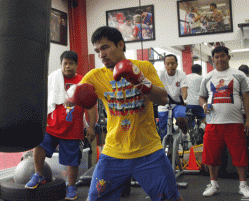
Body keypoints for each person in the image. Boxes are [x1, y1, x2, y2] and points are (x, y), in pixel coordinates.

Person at [76, 26, 185, 201]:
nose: (101, 54)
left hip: (149, 151)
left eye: (105, 47)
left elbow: (164, 99)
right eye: (97, 51)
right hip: (113, 152)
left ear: (120, 45)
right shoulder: (95, 76)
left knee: (171, 198)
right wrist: (74, 95)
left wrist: (139, 80)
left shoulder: (144, 67)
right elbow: (72, 97)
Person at [25, 51, 90, 201]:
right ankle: (38, 175)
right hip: (52, 124)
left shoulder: (83, 81)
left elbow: (90, 105)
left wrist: (91, 127)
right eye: (65, 63)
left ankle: (71, 187)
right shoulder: (53, 78)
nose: (68, 66)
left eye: (71, 63)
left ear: (76, 65)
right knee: (39, 145)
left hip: (73, 128)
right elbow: (43, 97)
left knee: (72, 160)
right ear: (61, 64)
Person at [199, 46, 249, 197]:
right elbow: (201, 96)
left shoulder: (239, 75)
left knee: (240, 155)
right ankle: (213, 184)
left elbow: (246, 97)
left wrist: (248, 119)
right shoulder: (207, 77)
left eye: (222, 56)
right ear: (212, 59)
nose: (219, 59)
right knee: (210, 156)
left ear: (228, 57)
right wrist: (203, 105)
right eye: (216, 57)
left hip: (235, 122)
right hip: (213, 123)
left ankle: (243, 185)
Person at [158, 54, 189, 140]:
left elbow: (184, 90)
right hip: (164, 104)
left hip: (178, 103)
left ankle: (185, 134)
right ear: (164, 65)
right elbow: (155, 86)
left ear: (177, 64)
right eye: (167, 64)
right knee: (163, 132)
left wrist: (183, 100)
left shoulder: (181, 74)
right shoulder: (160, 74)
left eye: (173, 63)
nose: (170, 66)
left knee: (180, 117)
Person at [185, 64, 206, 144]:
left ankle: (190, 134)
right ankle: (201, 128)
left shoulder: (186, 77)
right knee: (206, 117)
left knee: (190, 120)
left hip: (187, 104)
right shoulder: (201, 78)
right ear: (200, 71)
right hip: (198, 104)